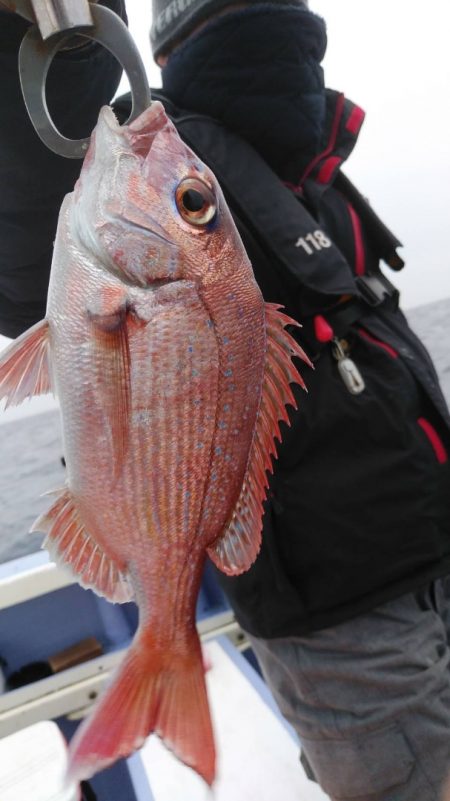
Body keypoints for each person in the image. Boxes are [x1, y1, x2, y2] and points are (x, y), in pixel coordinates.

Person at [1, 1, 450, 799]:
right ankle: (162, 651)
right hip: (342, 621)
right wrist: (38, 40)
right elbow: (34, 216)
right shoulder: (174, 166)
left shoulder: (308, 169)